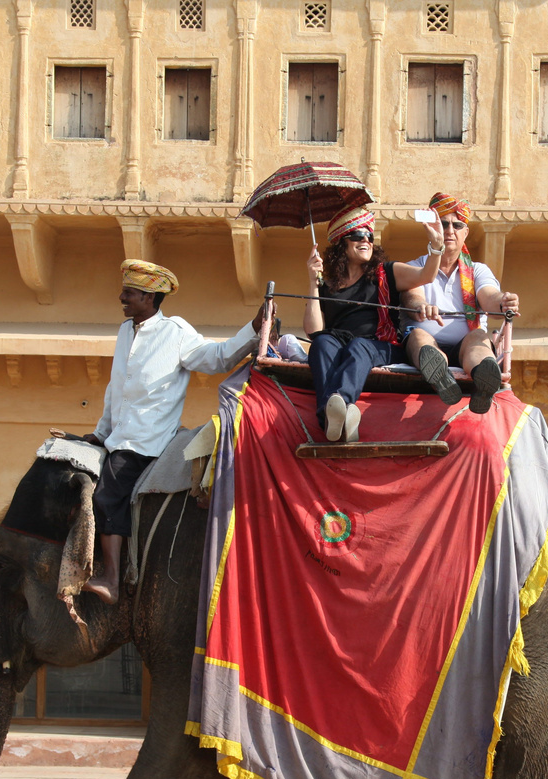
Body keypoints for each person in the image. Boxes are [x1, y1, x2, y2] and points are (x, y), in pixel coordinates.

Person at [68, 259, 266, 604]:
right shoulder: (125, 331)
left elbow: (217, 358)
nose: (122, 298)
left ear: (148, 297)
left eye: (128, 293)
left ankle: (112, 580)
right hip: (119, 437)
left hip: (146, 441)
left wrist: (254, 327)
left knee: (106, 495)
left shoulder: (175, 333)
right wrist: (101, 434)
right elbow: (117, 389)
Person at [302, 206, 443, 442]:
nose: (365, 240)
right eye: (357, 235)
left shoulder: (386, 272)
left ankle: (340, 404)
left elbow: (426, 275)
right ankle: (334, 420)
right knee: (321, 343)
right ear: (341, 243)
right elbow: (313, 330)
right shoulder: (328, 284)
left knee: (358, 346)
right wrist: (312, 281)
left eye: (369, 235)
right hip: (340, 344)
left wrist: (436, 246)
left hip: (381, 345)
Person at [402, 192, 521, 415]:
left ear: (465, 233)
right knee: (418, 336)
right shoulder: (415, 268)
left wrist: (503, 302)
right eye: (443, 224)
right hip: (424, 345)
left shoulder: (478, 270)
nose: (449, 231)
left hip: (466, 344)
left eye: (456, 225)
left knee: (479, 337)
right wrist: (421, 306)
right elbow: (412, 297)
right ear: (430, 227)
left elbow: (488, 296)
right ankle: (441, 376)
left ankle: (484, 381)